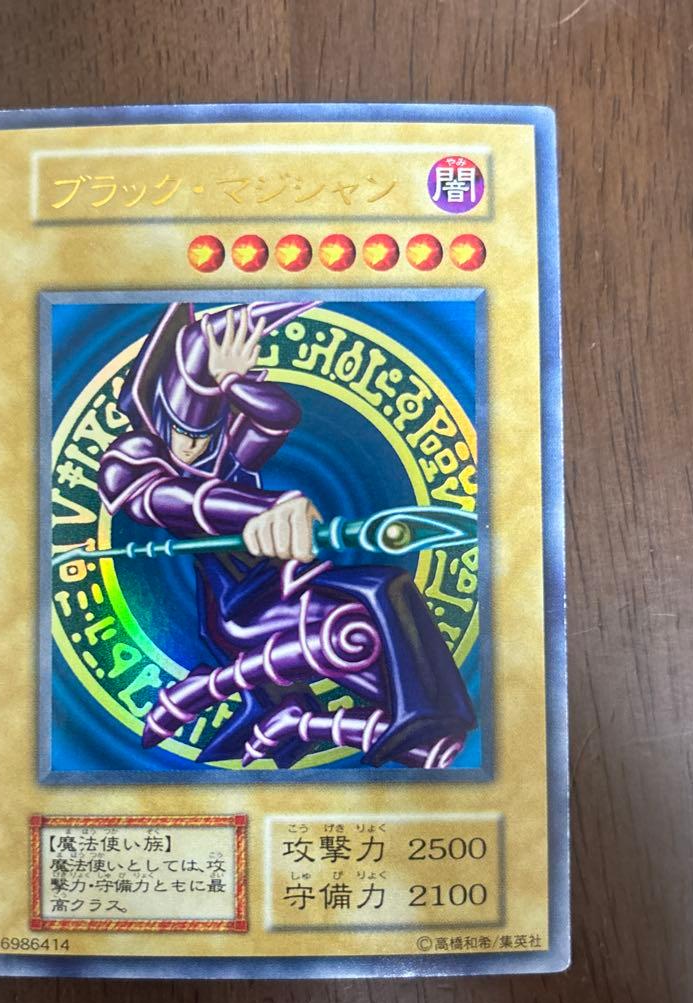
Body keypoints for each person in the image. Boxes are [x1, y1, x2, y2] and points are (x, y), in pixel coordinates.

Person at [98, 301, 476, 768]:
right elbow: (167, 499)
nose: (193, 446)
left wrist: (232, 382)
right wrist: (262, 509)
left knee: (386, 597)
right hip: (241, 608)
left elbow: (278, 417)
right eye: (181, 432)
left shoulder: (224, 455)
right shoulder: (135, 461)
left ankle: (333, 720)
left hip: (287, 584)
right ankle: (251, 701)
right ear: (159, 417)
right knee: (363, 615)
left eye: (206, 434)